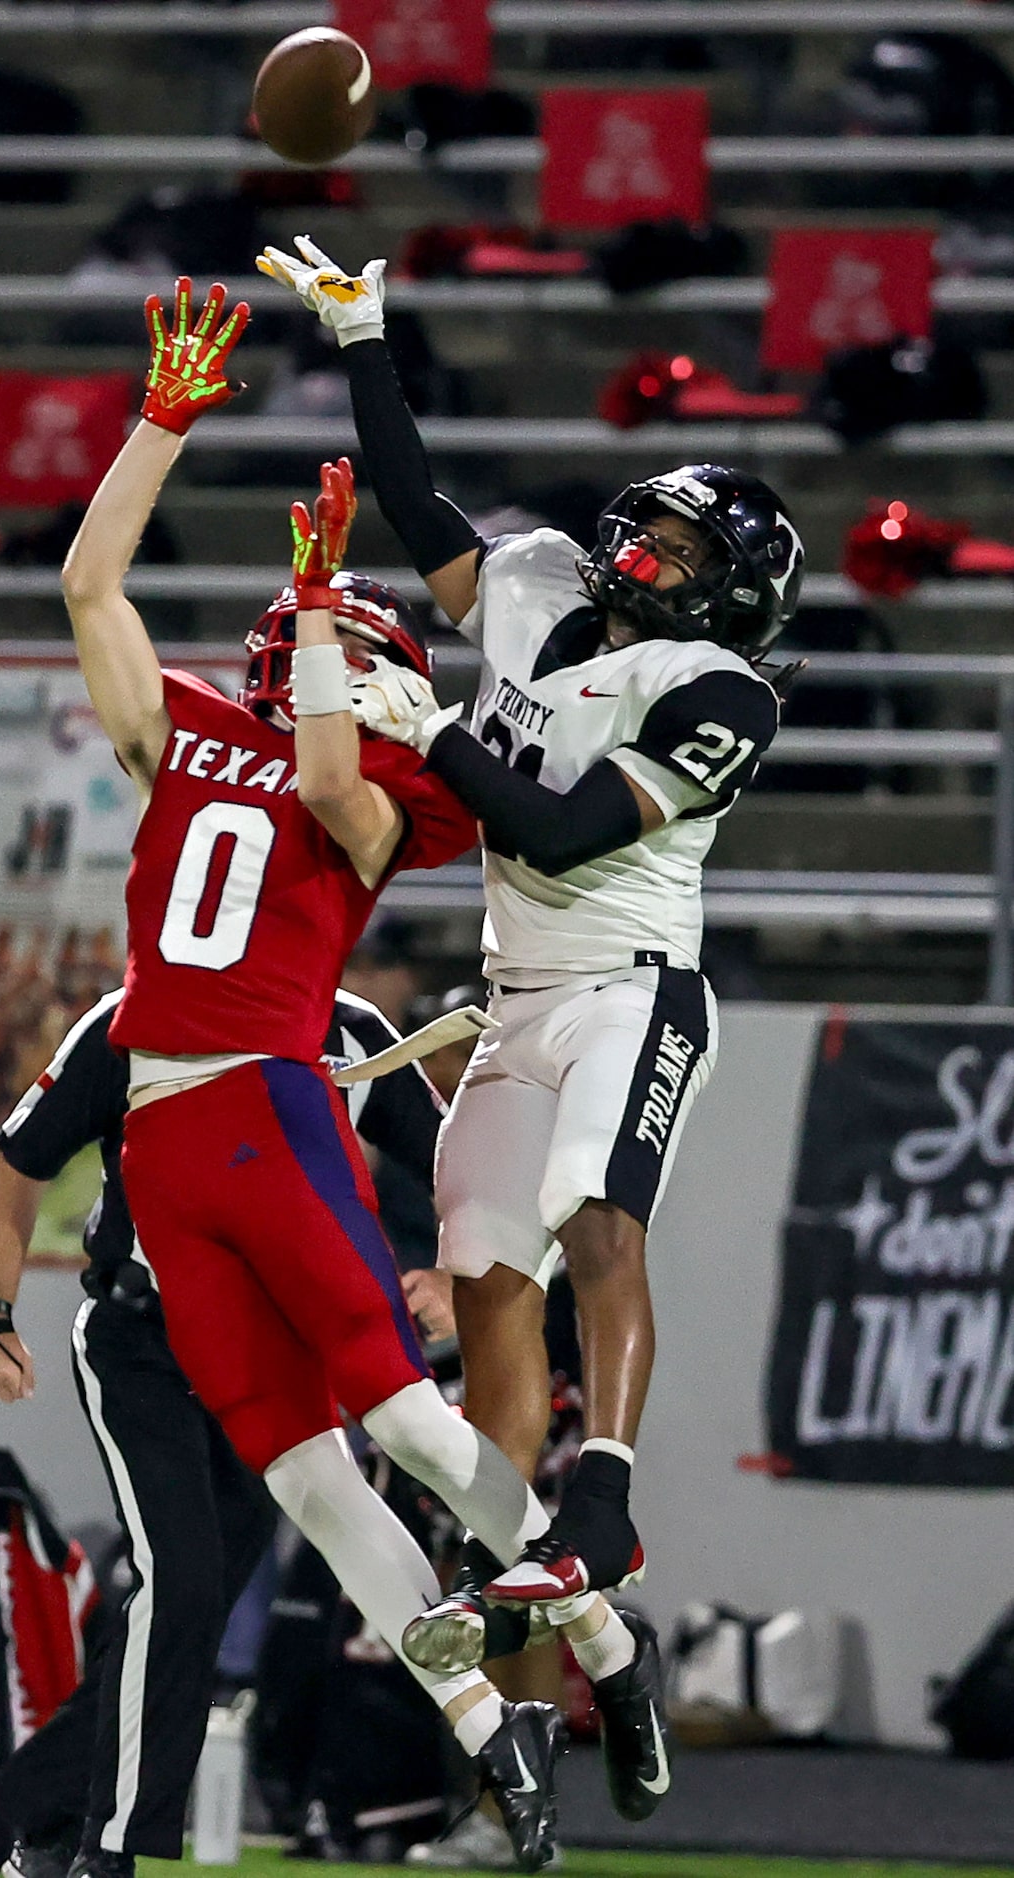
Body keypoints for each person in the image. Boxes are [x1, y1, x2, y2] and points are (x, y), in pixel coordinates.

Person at [58, 275, 618, 1873]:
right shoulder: (209, 738)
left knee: (405, 1436)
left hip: (254, 1116)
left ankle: (591, 1611)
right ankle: (490, 1707)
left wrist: (315, 628)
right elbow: (94, 591)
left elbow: (324, 770)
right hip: (184, 1152)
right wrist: (159, 426)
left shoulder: (368, 791)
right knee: (324, 1480)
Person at [259, 234, 805, 1825]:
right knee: (487, 1301)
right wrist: (364, 336)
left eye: (683, 548)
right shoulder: (538, 586)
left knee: (595, 1225)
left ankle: (607, 1513)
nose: (641, 550)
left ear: (731, 595)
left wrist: (430, 728)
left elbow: (566, 836)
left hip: (630, 982)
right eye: (648, 525)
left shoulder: (718, 687)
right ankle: (557, 1666)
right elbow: (419, 500)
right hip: (508, 997)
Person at [0, 982, 447, 1878]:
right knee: (179, 1581)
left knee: (189, 1605)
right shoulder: (128, 1023)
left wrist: (454, 1270)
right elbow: (19, 1164)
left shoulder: (346, 1029)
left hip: (269, 1358)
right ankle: (105, 1852)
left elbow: (458, 1158)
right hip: (141, 1338)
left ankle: (43, 1812)